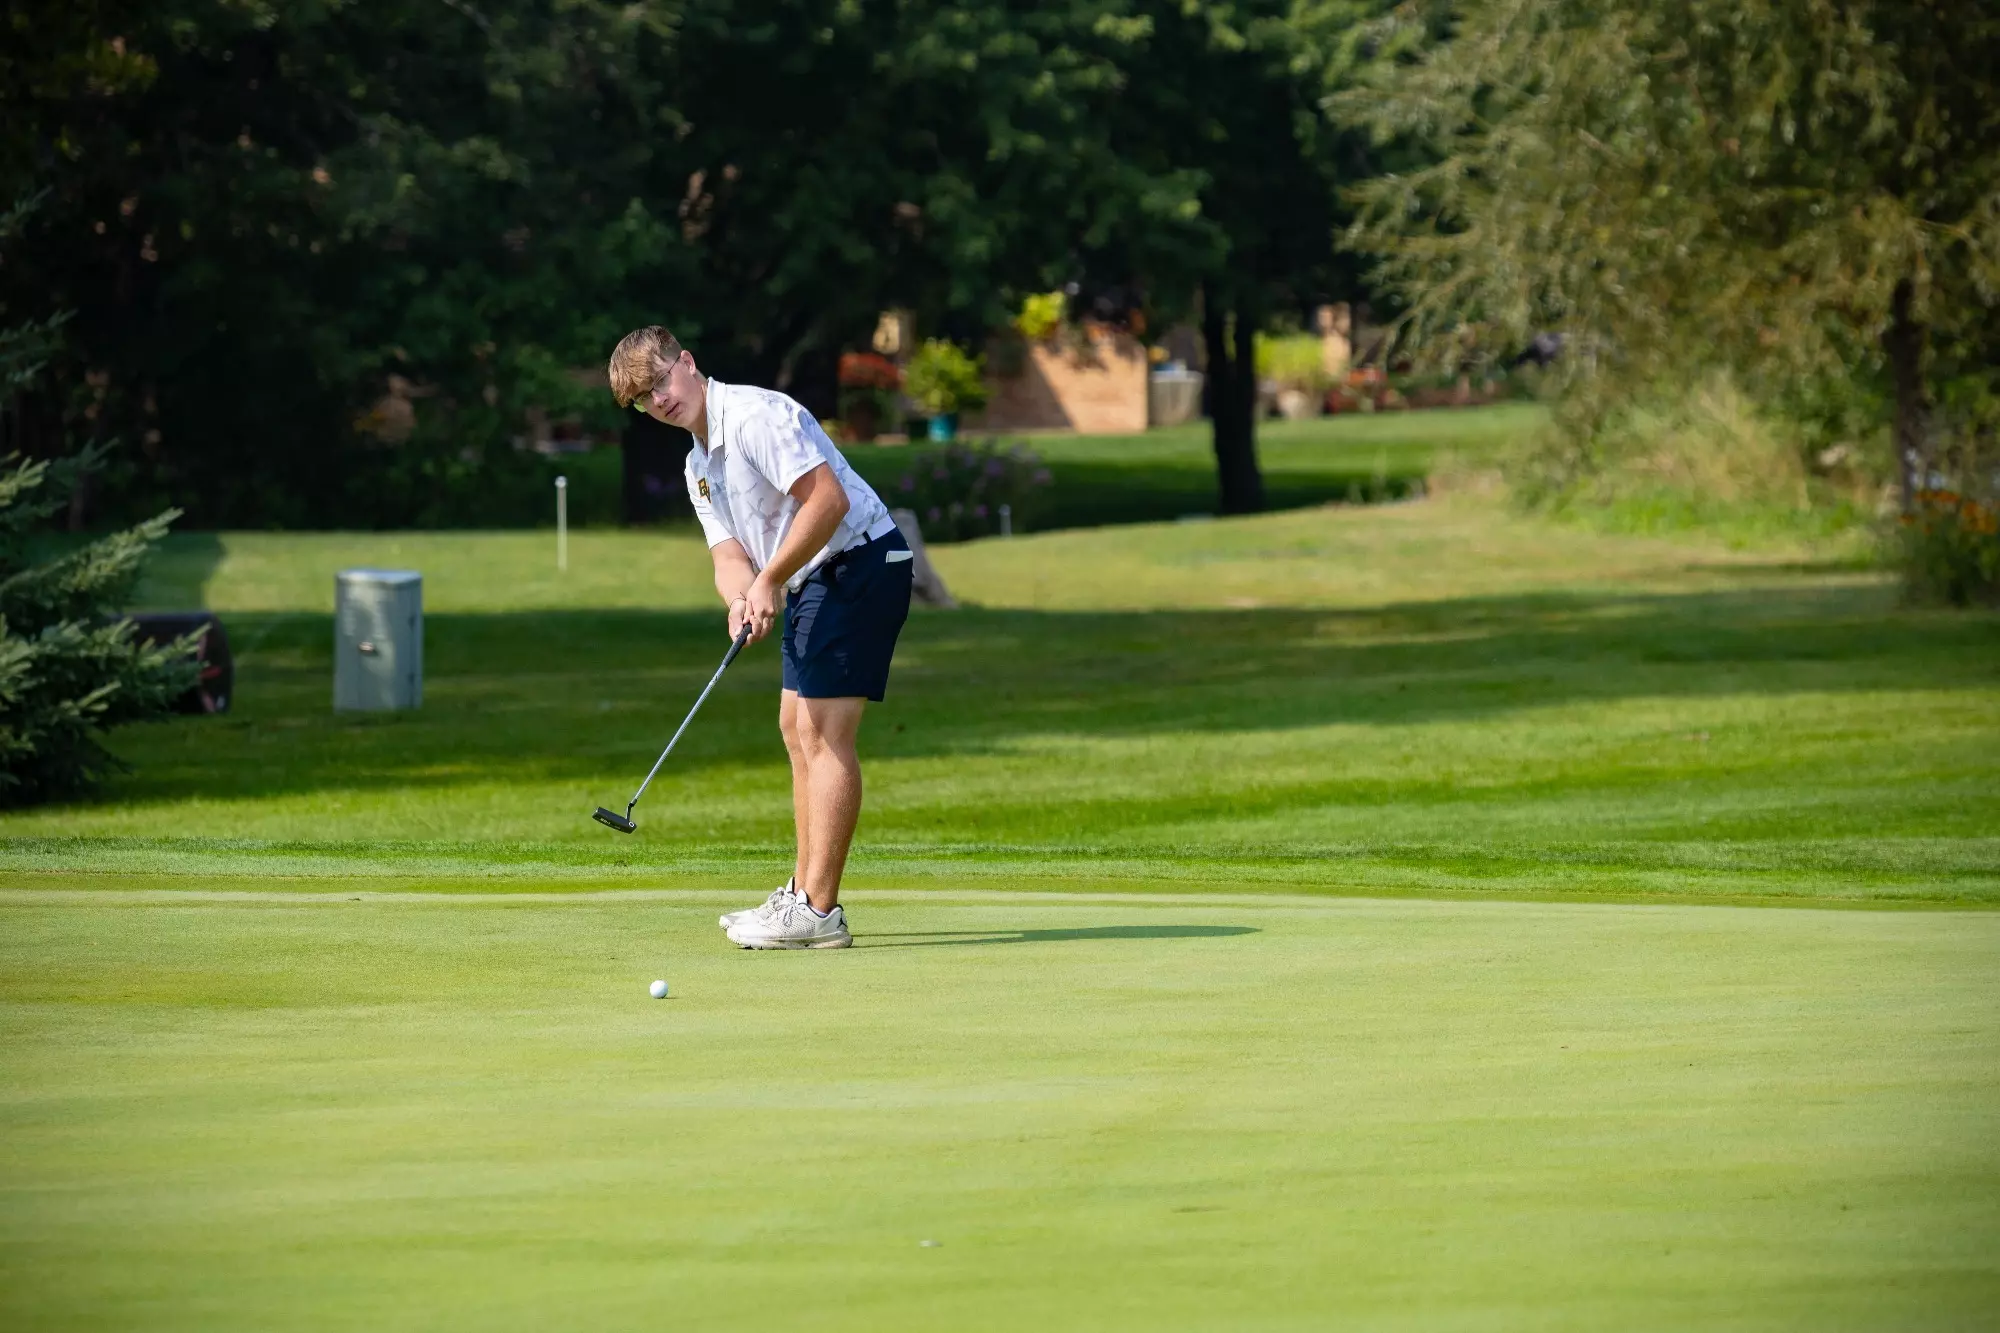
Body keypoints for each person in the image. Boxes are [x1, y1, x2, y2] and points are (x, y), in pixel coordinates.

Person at [607, 326, 914, 949]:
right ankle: (802, 897)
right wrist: (743, 595)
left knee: (824, 732)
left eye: (661, 380)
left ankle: (819, 912)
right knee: (795, 727)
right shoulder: (699, 464)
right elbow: (726, 553)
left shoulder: (752, 416)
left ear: (687, 363)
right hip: (814, 575)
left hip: (859, 560)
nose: (659, 400)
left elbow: (825, 500)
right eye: (643, 398)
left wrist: (770, 577)